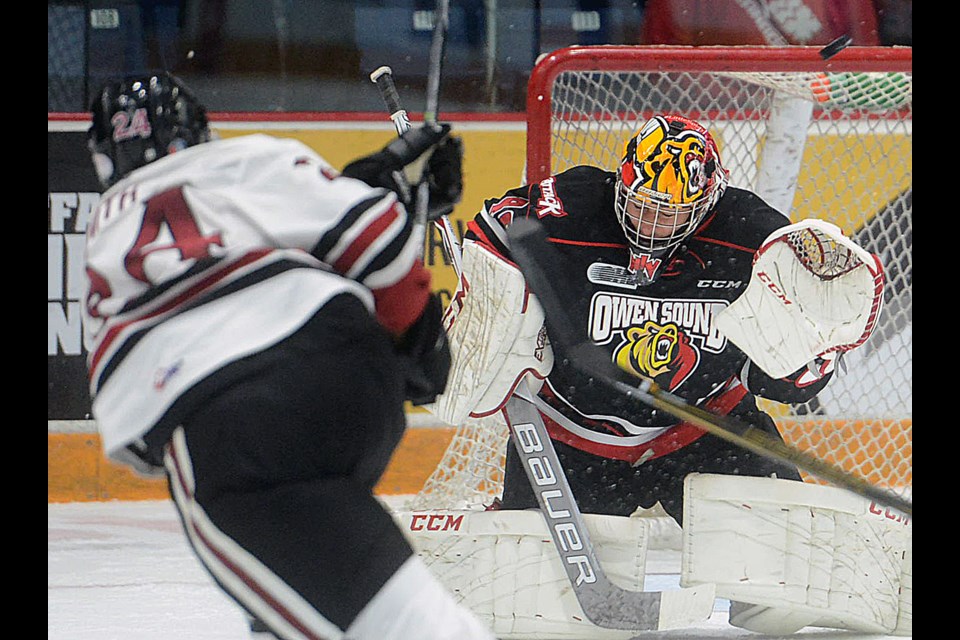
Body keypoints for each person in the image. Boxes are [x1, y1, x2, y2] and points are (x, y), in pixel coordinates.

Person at [81, 72, 494, 640]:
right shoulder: (252, 156)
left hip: (237, 429)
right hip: (355, 384)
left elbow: (126, 416)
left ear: (104, 160)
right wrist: (416, 334)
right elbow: (375, 237)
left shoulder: (105, 230)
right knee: (297, 595)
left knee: (396, 623)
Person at [452, 113, 853, 525]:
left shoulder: (752, 234)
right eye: (640, 206)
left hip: (706, 429)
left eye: (670, 213)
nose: (651, 225)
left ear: (708, 202)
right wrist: (491, 306)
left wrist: (810, 358)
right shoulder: (574, 207)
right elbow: (494, 228)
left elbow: (780, 378)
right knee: (529, 575)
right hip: (571, 436)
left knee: (784, 555)